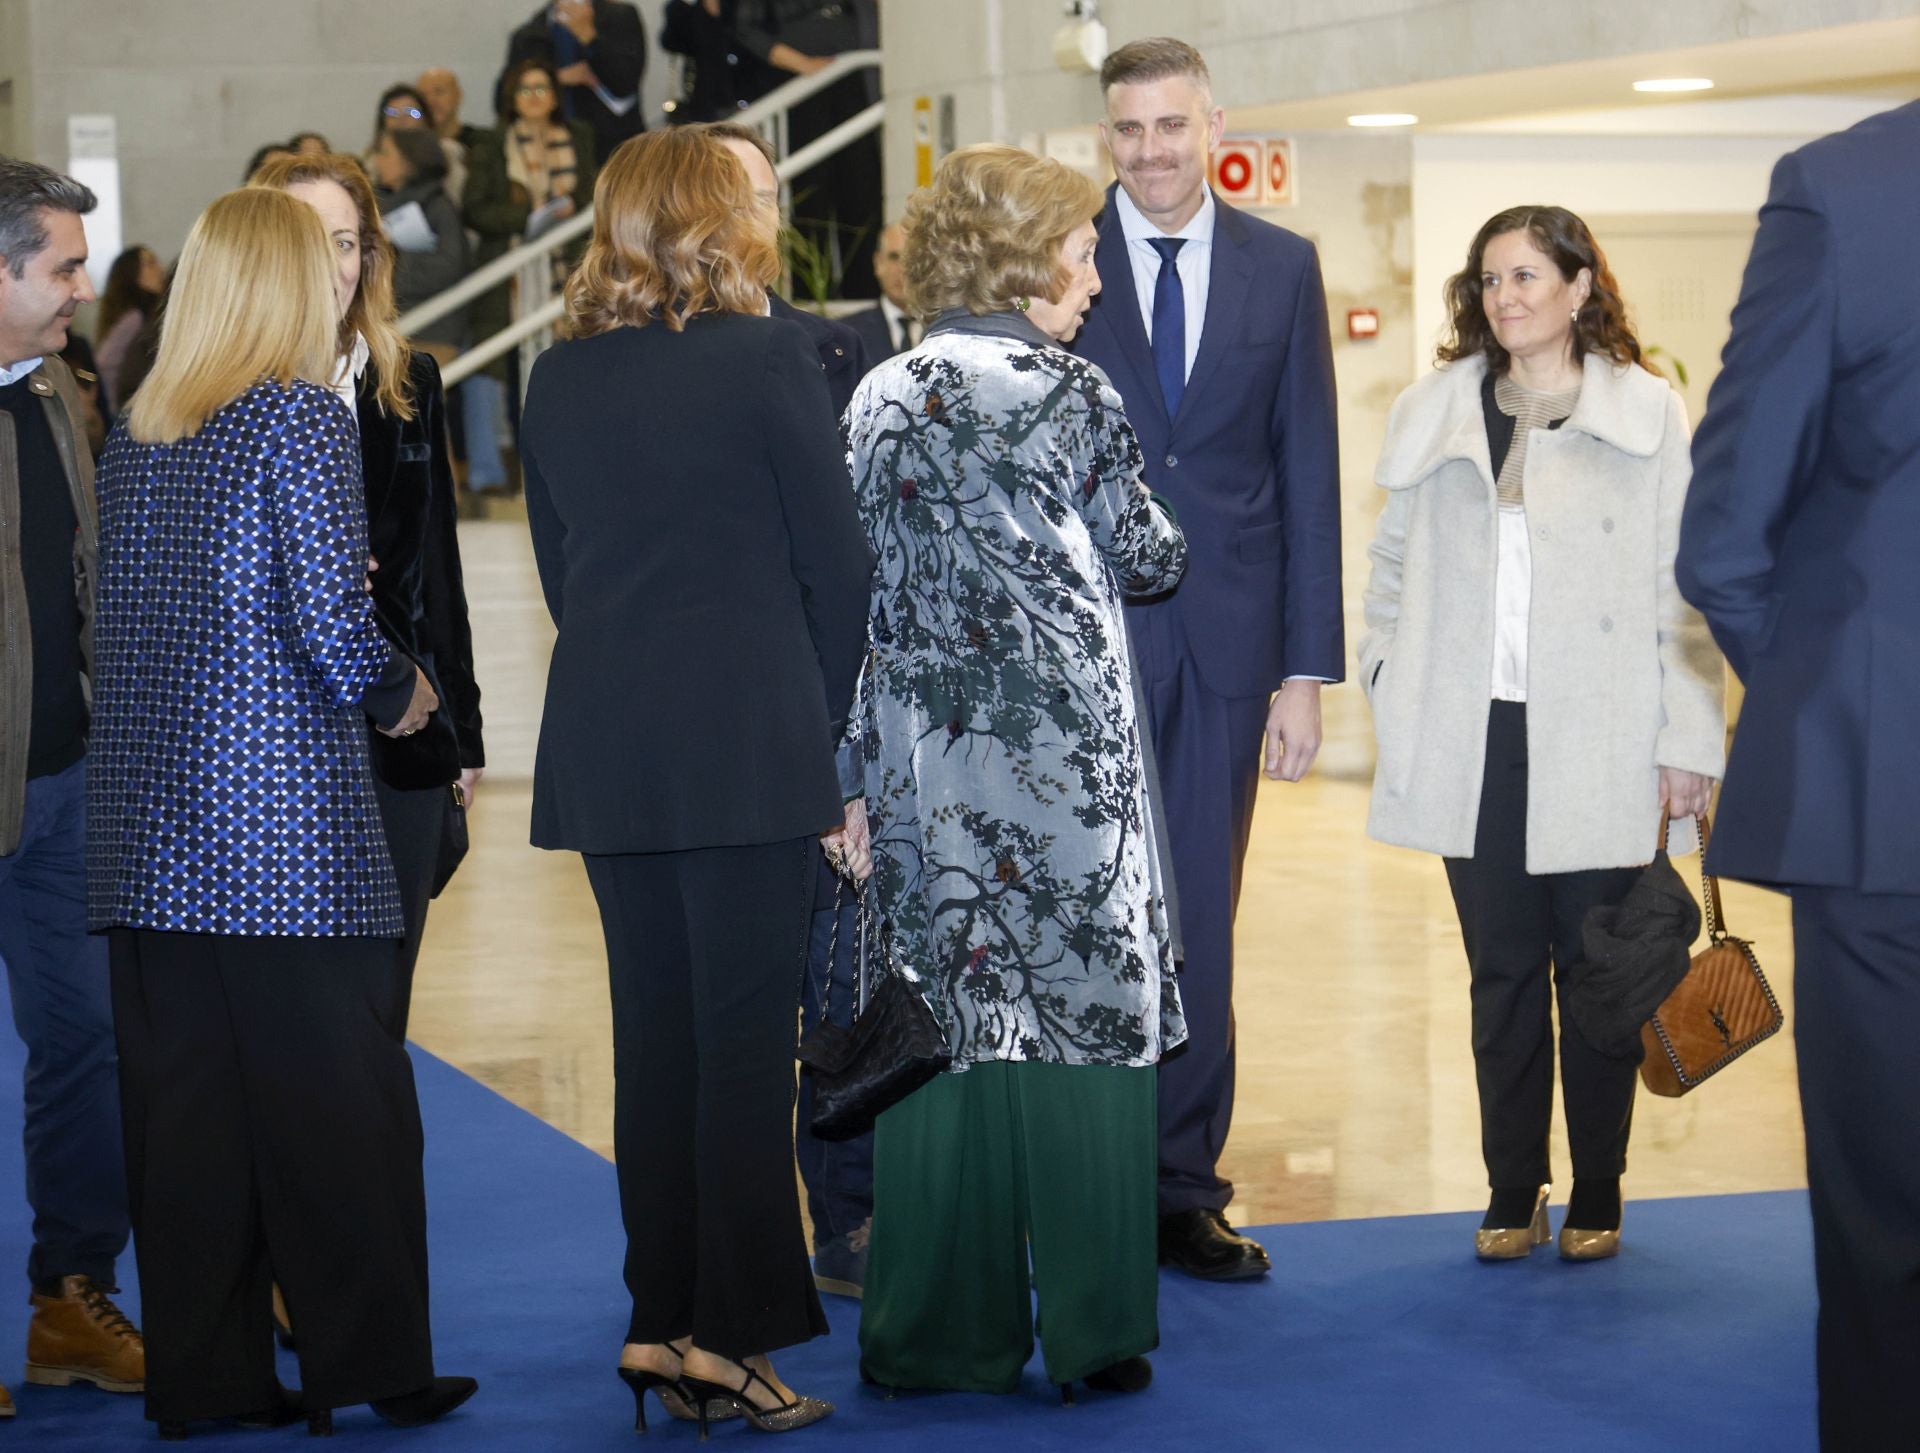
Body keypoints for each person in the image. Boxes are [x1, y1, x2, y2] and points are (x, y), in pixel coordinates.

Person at [88, 185, 475, 1438]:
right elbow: (328, 628)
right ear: (278, 281)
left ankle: (207, 1380)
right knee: (341, 1119)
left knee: (187, 1131)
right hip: (284, 844)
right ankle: (376, 1367)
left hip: (148, 842)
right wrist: (407, 690)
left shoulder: (136, 431)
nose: (339, 280)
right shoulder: (300, 421)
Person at [520, 125, 870, 1437]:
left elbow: (565, 578)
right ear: (724, 222)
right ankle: (731, 1341)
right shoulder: (772, 354)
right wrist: (826, 734)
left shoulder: (560, 378)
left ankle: (659, 1320)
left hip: (616, 752)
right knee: (739, 1062)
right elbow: (837, 572)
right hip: (748, 751)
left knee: (657, 1054)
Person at [846, 143, 1188, 1400]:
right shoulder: (1068, 390)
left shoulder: (879, 393)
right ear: (1029, 253)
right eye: (1084, 246)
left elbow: (850, 599)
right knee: (1088, 1032)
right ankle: (1095, 1332)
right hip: (1064, 777)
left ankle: (937, 1335)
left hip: (926, 771)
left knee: (948, 1033)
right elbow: (1149, 556)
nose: (1096, 272)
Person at [1360, 204, 1724, 1261]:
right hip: (1475, 738)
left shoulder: (1647, 413)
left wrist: (1689, 741)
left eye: (1526, 276)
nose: (1505, 297)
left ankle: (1600, 1189)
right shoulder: (1435, 411)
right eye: (1490, 280)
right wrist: (1390, 676)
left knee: (1600, 971)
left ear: (1579, 288)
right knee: (1501, 975)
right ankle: (1513, 1185)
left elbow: (1683, 594)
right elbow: (1388, 570)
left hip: (1605, 734)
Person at [1070, 36, 1343, 1282]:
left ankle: (1184, 1187)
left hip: (1231, 647)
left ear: (1214, 122)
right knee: (1089, 915)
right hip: (1084, 645)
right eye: (1129, 131)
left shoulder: (1282, 269)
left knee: (1204, 929)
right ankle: (1085, 1172)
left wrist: (1305, 669)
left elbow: (1308, 472)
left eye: (1171, 126)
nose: (1151, 152)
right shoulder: (1061, 262)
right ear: (1106, 136)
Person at [1675, 101, 1920, 1449]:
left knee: (1888, 1205)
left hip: (1887, 799)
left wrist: (1837, 701)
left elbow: (1726, 538)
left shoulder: (1847, 188)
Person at [252, 148, 485, 1044]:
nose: (335, 264)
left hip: (400, 741)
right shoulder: (220, 390)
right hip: (269, 752)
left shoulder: (408, 381)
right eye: (312, 239)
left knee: (381, 1008)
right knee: (296, 1019)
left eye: (348, 241)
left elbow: (439, 569)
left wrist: (461, 733)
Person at [703, 119, 875, 1297]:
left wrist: (851, 746)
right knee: (732, 1009)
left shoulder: (838, 353)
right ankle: (740, 1235)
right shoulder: (643, 359)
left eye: (764, 191)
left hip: (834, 713)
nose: (747, 215)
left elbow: (863, 555)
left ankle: (850, 1219)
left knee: (843, 984)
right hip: (715, 733)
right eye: (724, 194)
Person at [0, 156, 145, 1426]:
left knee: (86, 1046)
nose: (80, 289)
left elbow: (89, 589)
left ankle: (71, 1296)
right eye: (60, 266)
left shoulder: (60, 390)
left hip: (62, 790)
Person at [463, 56, 598, 482]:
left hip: (568, 263)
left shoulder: (579, 135)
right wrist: (527, 218)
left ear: (555, 96)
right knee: (493, 367)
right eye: (526, 90)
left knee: (570, 362)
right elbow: (475, 208)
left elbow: (596, 196)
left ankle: (568, 467)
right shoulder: (492, 142)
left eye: (543, 88)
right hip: (510, 267)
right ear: (511, 98)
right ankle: (493, 473)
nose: (535, 98)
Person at [727, 0, 880, 298]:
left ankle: (863, 292)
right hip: (798, 88)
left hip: (855, 83)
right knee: (810, 195)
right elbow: (745, 29)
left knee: (861, 191)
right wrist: (804, 65)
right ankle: (810, 294)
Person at [370, 127, 471, 370]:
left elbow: (450, 265)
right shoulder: (375, 204)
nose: (377, 160)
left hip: (432, 332)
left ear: (408, 161)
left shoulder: (439, 207)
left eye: (385, 153)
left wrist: (391, 265)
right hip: (389, 331)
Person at [503, 0, 647, 158]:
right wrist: (556, 79)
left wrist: (590, 38)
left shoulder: (620, 16)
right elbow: (504, 99)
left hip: (615, 149)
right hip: (550, 153)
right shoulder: (530, 34)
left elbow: (626, 82)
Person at [660, 0, 781, 123]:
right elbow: (671, 43)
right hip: (711, 103)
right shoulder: (689, 13)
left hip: (754, 96)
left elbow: (768, 40)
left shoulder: (746, 7)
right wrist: (677, 9)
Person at [92, 245, 163, 416]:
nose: (160, 269)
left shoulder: (134, 316)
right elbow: (104, 364)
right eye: (150, 264)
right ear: (132, 275)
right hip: (118, 411)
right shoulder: (134, 318)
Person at [841, 221, 913, 361]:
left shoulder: (947, 334)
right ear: (878, 263)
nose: (903, 269)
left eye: (911, 258)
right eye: (894, 257)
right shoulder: (846, 335)